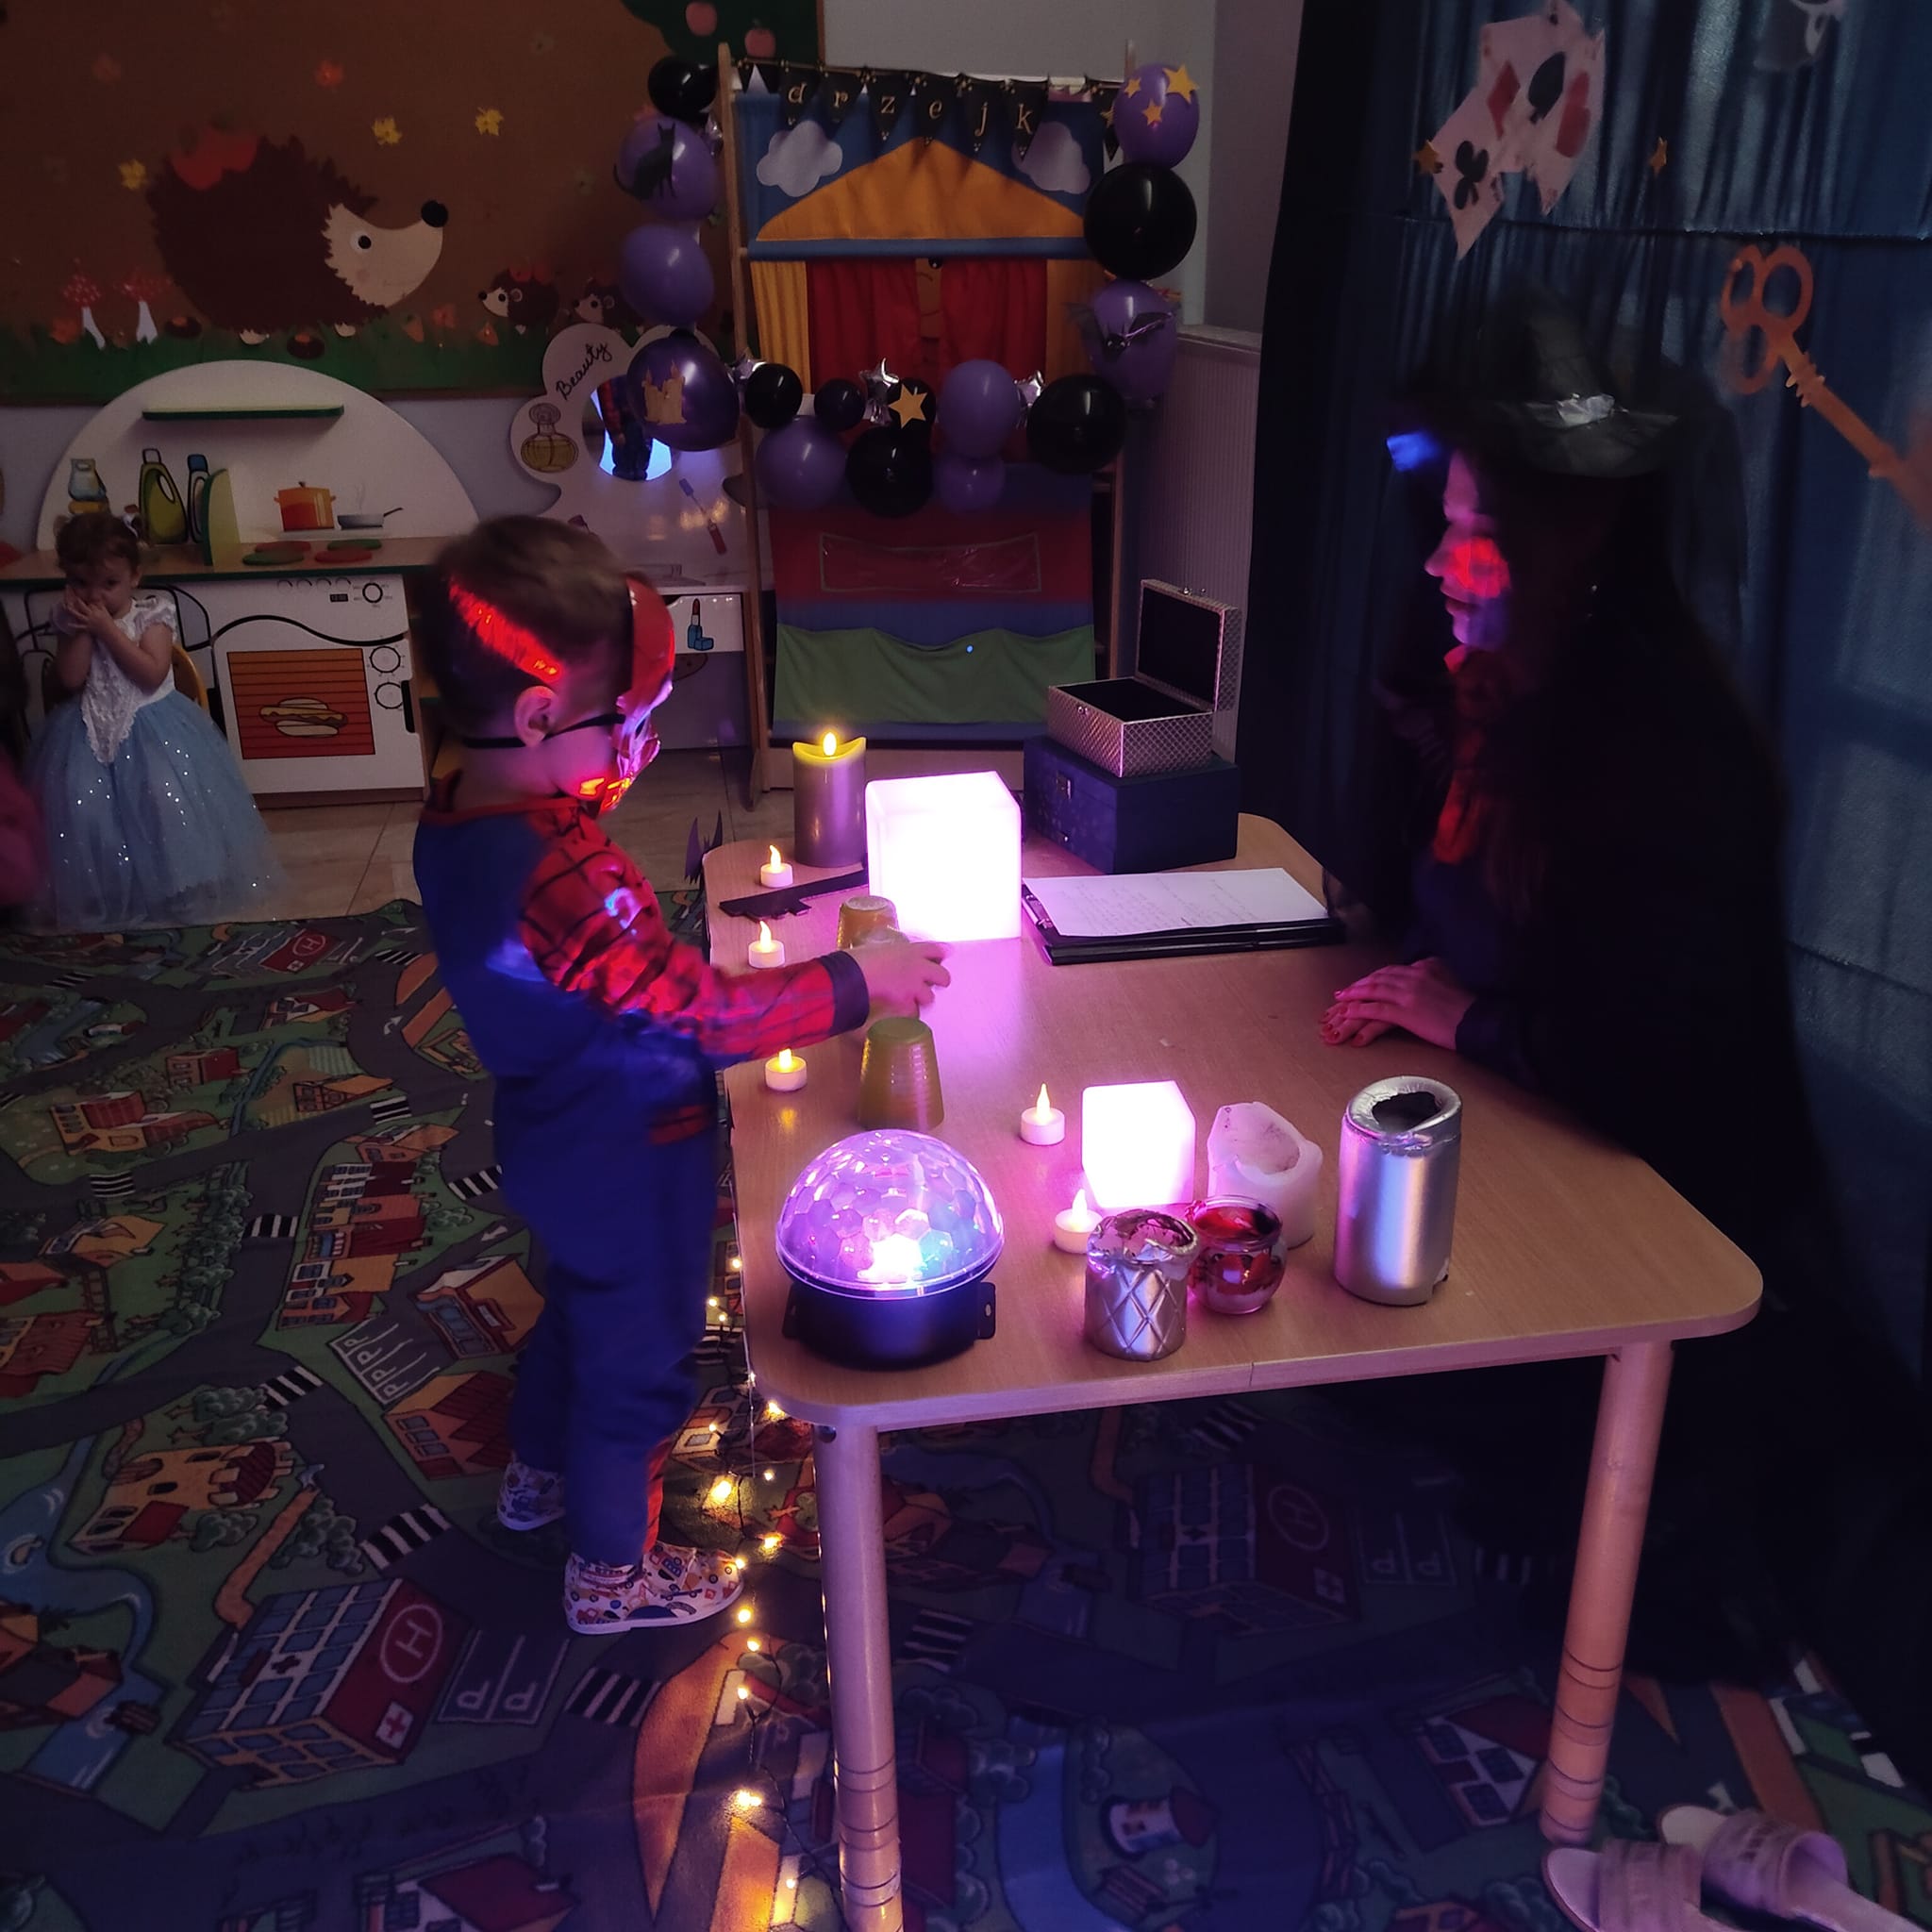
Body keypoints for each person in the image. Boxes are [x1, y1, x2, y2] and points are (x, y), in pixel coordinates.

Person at [1311, 297, 1880, 1681]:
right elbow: (1458, 904)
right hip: (1526, 1110)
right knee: (1348, 1306)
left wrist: (1466, 1017)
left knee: (1416, 1366)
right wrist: (1430, 971)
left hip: (1657, 1191)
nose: (1436, 563)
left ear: (1562, 550)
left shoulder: (1661, 756)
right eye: (1440, 524)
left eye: (1472, 533)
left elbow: (1664, 1066)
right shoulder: (1499, 690)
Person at [412, 517, 952, 1634]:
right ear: (537, 716)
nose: (638, 748)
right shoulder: (560, 866)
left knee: (578, 1309)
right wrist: (855, 980)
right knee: (639, 1358)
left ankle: (538, 1472)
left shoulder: (459, 805)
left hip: (549, 1121)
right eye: (627, 722)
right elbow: (697, 1014)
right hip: (624, 1142)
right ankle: (612, 1572)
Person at [26, 514, 278, 930]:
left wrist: (108, 630)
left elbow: (150, 674)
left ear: (134, 577)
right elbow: (70, 679)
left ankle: (180, 886)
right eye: (81, 583)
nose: (95, 596)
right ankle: (108, 891)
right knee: (80, 799)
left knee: (163, 796)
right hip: (87, 726)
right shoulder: (71, 619)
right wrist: (82, 631)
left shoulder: (152, 615)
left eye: (109, 584)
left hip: (153, 726)